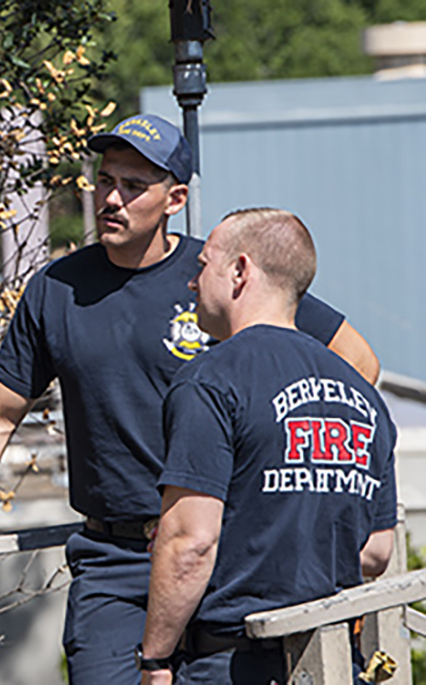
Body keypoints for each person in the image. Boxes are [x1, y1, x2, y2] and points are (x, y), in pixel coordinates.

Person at [0, 114, 381, 683]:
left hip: (223, 551)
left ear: (174, 198)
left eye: (132, 186)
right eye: (104, 181)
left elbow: (356, 365)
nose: (111, 199)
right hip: (115, 562)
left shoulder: (217, 276)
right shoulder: (56, 290)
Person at [139, 208, 396, 684]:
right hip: (334, 660)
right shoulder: (364, 398)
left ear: (240, 271)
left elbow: (191, 543)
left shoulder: (210, 380)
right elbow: (377, 550)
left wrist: (155, 662)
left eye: (203, 265)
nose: (192, 283)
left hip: (234, 662)